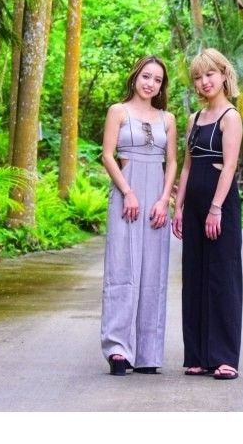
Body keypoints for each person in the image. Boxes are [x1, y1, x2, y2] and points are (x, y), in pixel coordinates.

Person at [100, 55, 177, 376]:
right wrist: (127, 192)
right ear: (135, 77)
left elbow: (172, 161)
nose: (151, 84)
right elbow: (107, 155)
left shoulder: (168, 119)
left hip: (156, 196)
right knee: (121, 267)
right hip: (126, 192)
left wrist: (163, 200)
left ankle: (147, 353)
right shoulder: (118, 111)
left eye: (157, 80)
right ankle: (117, 349)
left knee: (153, 272)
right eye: (146, 76)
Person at [172, 48, 243, 380]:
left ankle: (224, 356)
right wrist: (178, 207)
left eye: (209, 74)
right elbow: (186, 167)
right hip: (194, 203)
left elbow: (229, 166)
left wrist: (216, 208)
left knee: (222, 277)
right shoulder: (194, 120)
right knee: (195, 276)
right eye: (198, 78)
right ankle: (198, 355)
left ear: (224, 74)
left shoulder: (231, 117)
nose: (204, 82)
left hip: (220, 203)